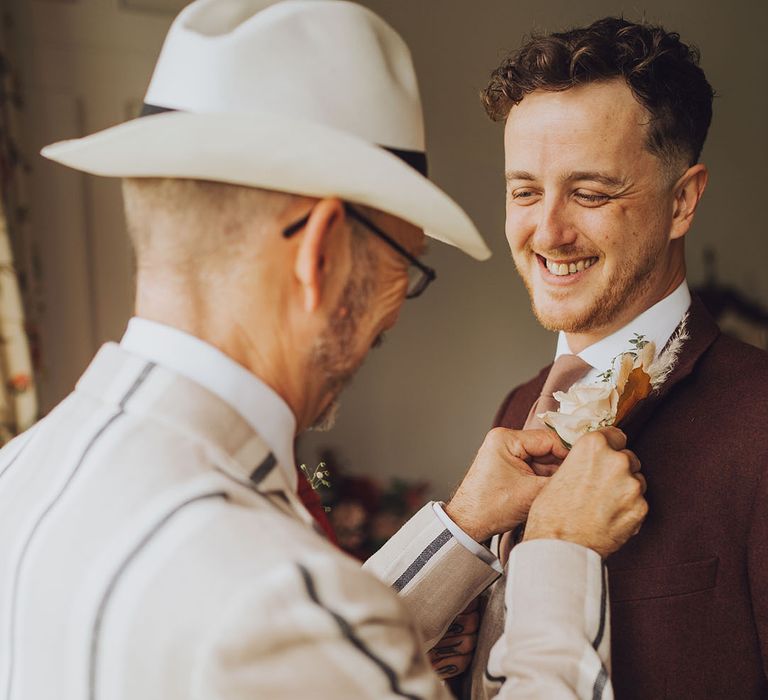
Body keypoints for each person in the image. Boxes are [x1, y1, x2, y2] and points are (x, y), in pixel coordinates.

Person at [0, 2, 647, 699]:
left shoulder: (22, 472)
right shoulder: (273, 600)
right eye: (407, 261)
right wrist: (559, 554)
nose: (396, 310)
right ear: (322, 252)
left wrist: (458, 528)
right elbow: (298, 627)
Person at [415, 16, 768, 699]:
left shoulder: (761, 421)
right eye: (525, 190)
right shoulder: (517, 411)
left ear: (682, 201)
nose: (546, 231)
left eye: (590, 192)